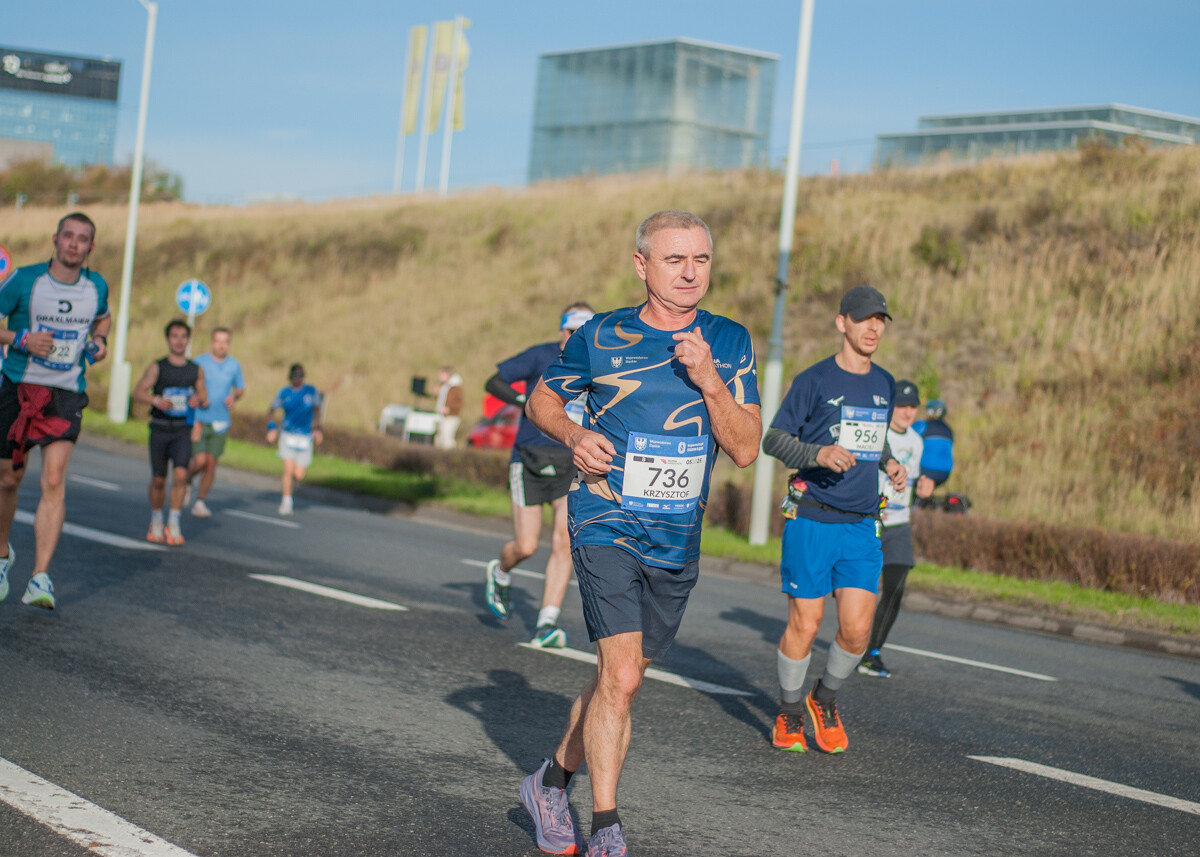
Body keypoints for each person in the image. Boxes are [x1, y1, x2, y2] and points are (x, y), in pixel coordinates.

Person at [518, 211, 761, 857]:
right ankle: (607, 827)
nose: (690, 272)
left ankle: (548, 780)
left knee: (617, 681)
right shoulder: (601, 335)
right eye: (675, 259)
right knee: (620, 678)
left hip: (676, 536)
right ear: (641, 265)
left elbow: (744, 449)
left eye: (701, 260)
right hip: (606, 519)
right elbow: (539, 400)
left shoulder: (731, 342)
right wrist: (574, 435)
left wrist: (710, 377)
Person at [761, 284, 907, 755]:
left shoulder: (884, 383)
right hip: (812, 519)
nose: (873, 328)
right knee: (806, 624)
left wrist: (888, 463)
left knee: (858, 630)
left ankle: (824, 699)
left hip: (862, 524)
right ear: (841, 322)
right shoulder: (814, 381)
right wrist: (818, 453)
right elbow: (774, 440)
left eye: (880, 320)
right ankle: (787, 712)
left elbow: (873, 438)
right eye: (865, 319)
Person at [0, 212, 110, 610]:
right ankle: (1, 557)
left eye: (83, 239)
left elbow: (103, 317)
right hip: (18, 387)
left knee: (54, 477)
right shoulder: (26, 280)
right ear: (55, 239)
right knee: (8, 480)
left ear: (90, 247)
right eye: (68, 236)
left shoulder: (96, 285)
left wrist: (99, 340)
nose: (74, 244)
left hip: (66, 392)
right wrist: (21, 338)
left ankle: (39, 577)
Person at [482, 302, 595, 648]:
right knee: (526, 545)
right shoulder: (541, 356)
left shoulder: (598, 365)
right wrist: (526, 402)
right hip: (528, 459)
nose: (575, 337)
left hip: (569, 462)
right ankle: (500, 571)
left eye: (583, 332)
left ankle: (546, 623)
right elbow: (493, 381)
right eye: (570, 330)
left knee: (565, 542)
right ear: (561, 330)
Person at [857, 379, 934, 678]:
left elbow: (914, 480)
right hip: (871, 520)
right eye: (901, 406)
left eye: (912, 407)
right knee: (862, 590)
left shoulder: (917, 440)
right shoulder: (877, 434)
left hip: (900, 523)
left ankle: (872, 652)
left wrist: (928, 486)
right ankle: (852, 643)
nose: (907, 412)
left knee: (896, 588)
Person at [132, 320, 208, 546]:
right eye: (174, 336)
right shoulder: (158, 367)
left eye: (183, 336)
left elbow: (204, 396)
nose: (179, 340)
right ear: (168, 339)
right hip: (160, 428)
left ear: (188, 340)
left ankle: (173, 521)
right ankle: (156, 519)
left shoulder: (195, 369)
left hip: (182, 430)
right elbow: (137, 392)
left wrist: (199, 400)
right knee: (158, 479)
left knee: (182, 476)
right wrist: (156, 400)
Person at [187, 327, 244, 517]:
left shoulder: (234, 365)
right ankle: (186, 481)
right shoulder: (200, 362)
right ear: (212, 342)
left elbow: (240, 388)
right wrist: (196, 399)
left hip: (221, 421)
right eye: (218, 341)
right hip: (200, 419)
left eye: (225, 341)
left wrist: (235, 397)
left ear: (228, 344)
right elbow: (189, 387)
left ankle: (201, 501)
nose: (221, 345)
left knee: (211, 463)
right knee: (199, 461)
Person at [265, 363, 322, 515]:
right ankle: (286, 501)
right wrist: (271, 428)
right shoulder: (284, 393)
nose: (298, 378)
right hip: (287, 434)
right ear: (290, 377)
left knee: (299, 474)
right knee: (288, 470)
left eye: (301, 375)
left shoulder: (311, 391)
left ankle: (289, 489)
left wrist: (317, 429)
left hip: (304, 437)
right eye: (296, 375)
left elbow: (317, 412)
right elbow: (271, 412)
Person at [913, 398, 954, 488]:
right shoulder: (948, 430)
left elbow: (906, 437)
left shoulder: (923, 425)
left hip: (925, 469)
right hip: (945, 472)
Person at [433, 366, 463, 449]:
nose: (439, 377)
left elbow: (459, 403)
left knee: (447, 439)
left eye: (441, 375)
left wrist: (449, 409)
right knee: (439, 439)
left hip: (451, 416)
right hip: (441, 416)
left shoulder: (455, 387)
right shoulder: (444, 386)